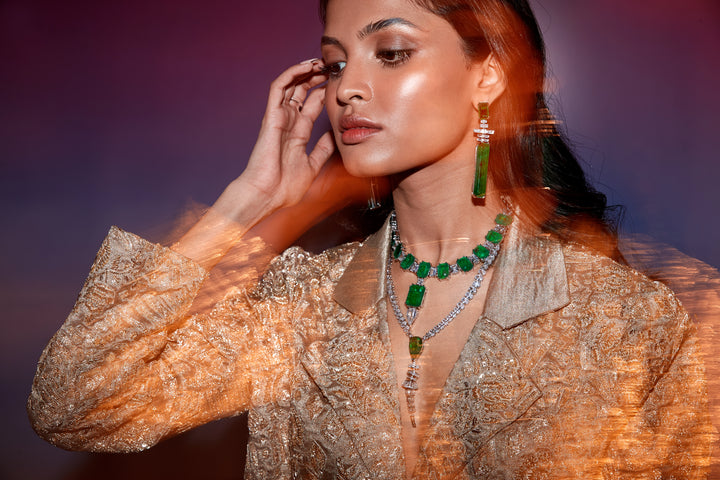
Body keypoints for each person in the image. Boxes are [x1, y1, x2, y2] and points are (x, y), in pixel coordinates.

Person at [28, 0, 715, 478]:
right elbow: (73, 405)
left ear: (486, 76)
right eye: (334, 64)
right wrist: (246, 204)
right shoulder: (299, 308)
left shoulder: (628, 317)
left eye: (390, 53)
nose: (348, 88)